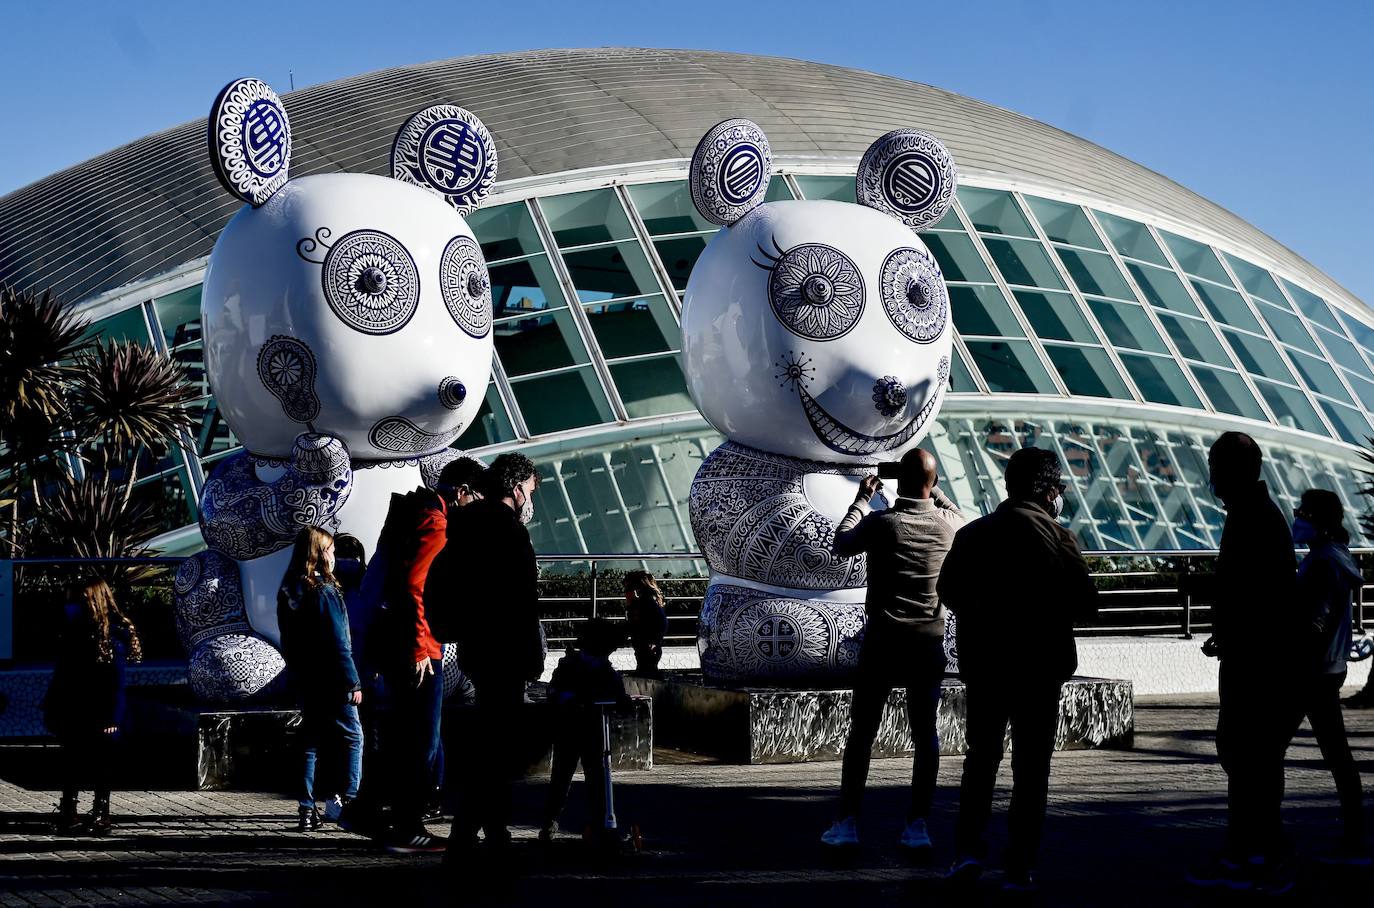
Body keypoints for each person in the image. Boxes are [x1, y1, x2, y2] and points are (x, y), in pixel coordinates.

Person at [937, 446, 1097, 891]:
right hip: (1040, 671)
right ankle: (1019, 865)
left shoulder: (974, 535)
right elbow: (1087, 605)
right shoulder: (1061, 539)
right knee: (1032, 770)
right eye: (1060, 488)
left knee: (981, 762)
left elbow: (947, 590)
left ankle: (967, 852)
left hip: (987, 666)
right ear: (1048, 492)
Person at [819, 447, 965, 853]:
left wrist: (861, 500)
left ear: (898, 482)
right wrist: (933, 492)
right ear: (933, 484)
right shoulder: (948, 527)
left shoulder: (883, 524)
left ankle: (847, 822)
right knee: (925, 736)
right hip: (928, 643)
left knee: (862, 732)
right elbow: (959, 515)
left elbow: (841, 542)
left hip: (883, 643)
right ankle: (917, 825)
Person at [1185, 432, 1301, 893]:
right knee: (1252, 756)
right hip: (1258, 655)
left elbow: (1253, 591)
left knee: (1247, 754)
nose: (1210, 475)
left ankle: (1252, 855)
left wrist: (1202, 594)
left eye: (1215, 465)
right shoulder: (1260, 514)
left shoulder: (1252, 518)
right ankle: (1256, 850)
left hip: (1257, 664)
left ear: (1232, 469)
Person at [361, 456, 486, 853]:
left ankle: (396, 818)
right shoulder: (435, 523)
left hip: (405, 645)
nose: (476, 507)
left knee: (410, 736)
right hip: (420, 649)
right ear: (462, 492)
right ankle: (407, 827)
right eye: (475, 498)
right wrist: (420, 648)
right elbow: (416, 587)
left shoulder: (415, 513)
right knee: (421, 740)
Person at [443, 452, 546, 867]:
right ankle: (476, 830)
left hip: (474, 646)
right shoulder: (508, 531)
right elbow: (522, 601)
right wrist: (532, 654)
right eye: (531, 491)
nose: (530, 500)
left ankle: (481, 828)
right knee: (498, 746)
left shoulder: (464, 523)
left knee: (489, 740)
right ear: (517, 488)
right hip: (503, 650)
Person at [1291, 489, 1369, 865]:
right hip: (1328, 667)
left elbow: (1313, 621)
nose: (1296, 518)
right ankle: (1355, 836)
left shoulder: (1322, 562)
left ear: (1319, 521)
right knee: (1337, 754)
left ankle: (1264, 844)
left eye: (1302, 512)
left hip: (1310, 670)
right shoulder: (1335, 557)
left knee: (1265, 752)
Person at [277, 527, 364, 832]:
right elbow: (339, 642)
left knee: (311, 741)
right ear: (318, 553)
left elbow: (287, 638)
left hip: (305, 677)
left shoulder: (289, 588)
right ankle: (351, 802)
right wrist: (352, 681)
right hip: (332, 678)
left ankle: (306, 807)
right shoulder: (325, 590)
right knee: (353, 737)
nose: (334, 555)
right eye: (330, 549)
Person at [43, 578, 142, 836]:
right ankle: (70, 810)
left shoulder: (112, 635)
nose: (76, 605)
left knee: (100, 763)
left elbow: (115, 682)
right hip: (74, 707)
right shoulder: (76, 630)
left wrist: (111, 718)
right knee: (71, 761)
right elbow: (63, 674)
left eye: (82, 600)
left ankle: (100, 811)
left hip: (98, 710)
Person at [539, 618, 632, 843]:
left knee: (595, 778)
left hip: (590, 730)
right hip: (573, 729)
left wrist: (622, 702)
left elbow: (618, 695)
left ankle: (598, 822)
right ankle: (551, 823)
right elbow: (554, 691)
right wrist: (567, 699)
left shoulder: (601, 670)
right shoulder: (572, 666)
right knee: (564, 778)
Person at [623, 571, 668, 676]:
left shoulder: (645, 604)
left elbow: (660, 623)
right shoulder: (643, 603)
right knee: (646, 669)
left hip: (648, 645)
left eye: (628, 589)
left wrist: (654, 641)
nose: (625, 593)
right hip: (646, 644)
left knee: (647, 669)